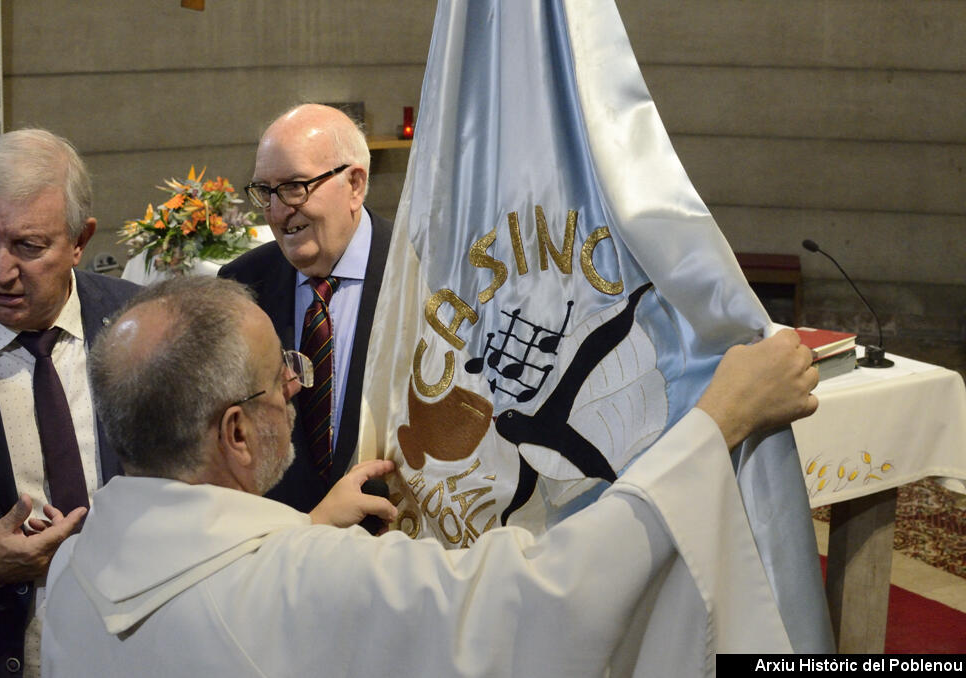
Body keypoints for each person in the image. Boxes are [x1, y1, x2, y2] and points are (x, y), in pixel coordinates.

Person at [42, 276, 818, 676]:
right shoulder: (308, 579)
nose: (295, 388)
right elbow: (545, 599)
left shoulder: (73, 569)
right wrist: (718, 422)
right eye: (280, 379)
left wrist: (305, 527)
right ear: (236, 434)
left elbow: (210, 603)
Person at [0, 129, 140, 678]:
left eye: (29, 247)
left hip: (143, 646)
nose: (1, 272)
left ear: (81, 240)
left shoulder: (140, 324)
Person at [218, 103, 392, 513]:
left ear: (354, 185)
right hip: (287, 550)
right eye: (266, 191)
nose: (278, 212)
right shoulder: (243, 286)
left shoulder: (420, 271)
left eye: (296, 186)